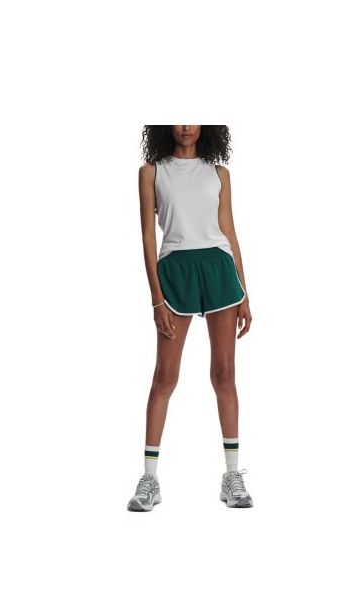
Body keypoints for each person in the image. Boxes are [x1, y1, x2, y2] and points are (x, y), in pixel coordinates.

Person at [127, 125, 253, 511]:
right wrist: (156, 299)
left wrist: (245, 292)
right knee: (164, 377)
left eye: (193, 118)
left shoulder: (219, 173)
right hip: (175, 271)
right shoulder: (152, 172)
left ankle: (232, 475)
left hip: (218, 269)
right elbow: (148, 237)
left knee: (224, 375)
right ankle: (149, 479)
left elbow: (229, 232)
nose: (185, 125)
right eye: (177, 117)